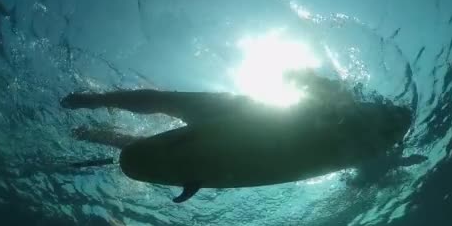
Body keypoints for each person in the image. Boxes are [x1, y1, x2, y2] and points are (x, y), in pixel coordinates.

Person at [61, 70, 412, 203]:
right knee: (168, 104)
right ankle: (97, 101)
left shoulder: (365, 137)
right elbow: (296, 78)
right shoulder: (347, 101)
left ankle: (102, 136)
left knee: (185, 141)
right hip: (251, 113)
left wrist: (381, 174)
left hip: (256, 128)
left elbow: (362, 177)